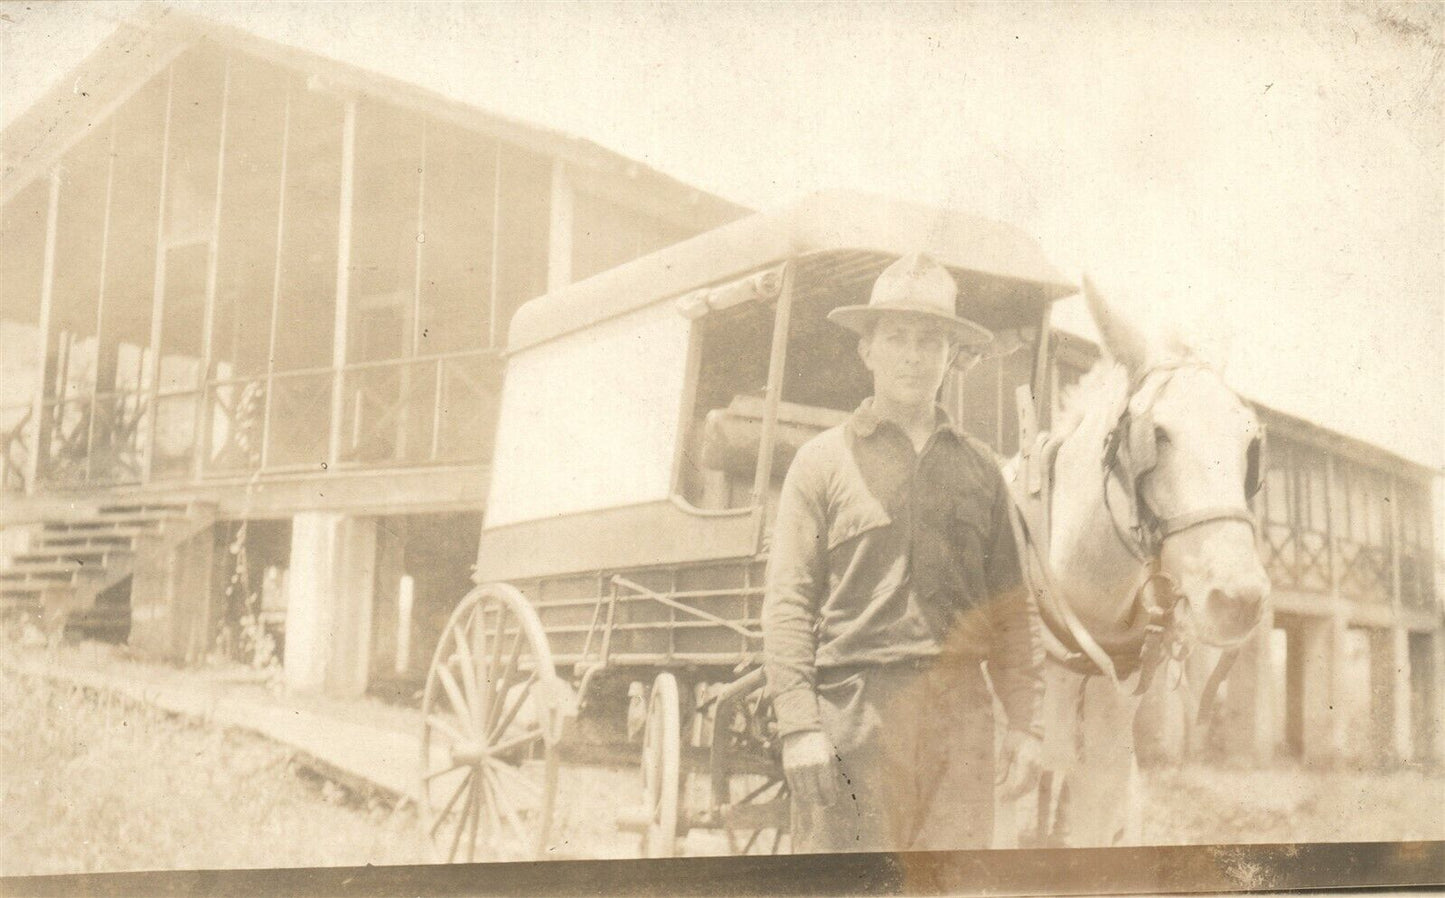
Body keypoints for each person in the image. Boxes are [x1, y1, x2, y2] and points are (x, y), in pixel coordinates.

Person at [763, 252, 1044, 853]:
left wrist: (1025, 724)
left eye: (931, 340)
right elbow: (788, 602)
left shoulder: (981, 469)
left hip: (961, 724)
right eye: (896, 338)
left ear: (951, 356)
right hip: (853, 719)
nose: (914, 356)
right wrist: (799, 726)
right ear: (867, 349)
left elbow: (1011, 610)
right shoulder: (822, 462)